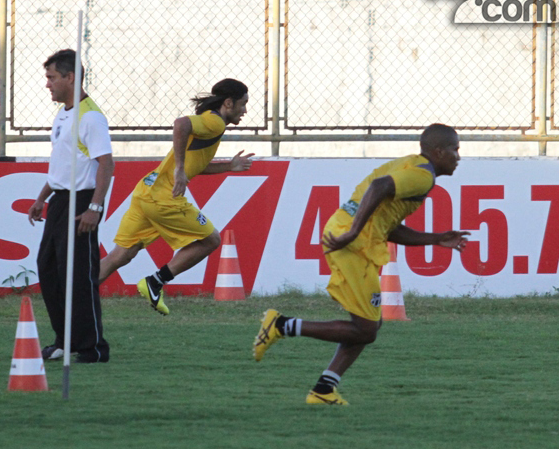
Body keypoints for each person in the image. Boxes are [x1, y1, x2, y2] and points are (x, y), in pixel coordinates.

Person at [253, 123, 470, 404]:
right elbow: (380, 187)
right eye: (455, 150)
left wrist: (436, 238)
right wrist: (354, 231)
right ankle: (281, 325)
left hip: (355, 238)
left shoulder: (411, 165)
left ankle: (324, 389)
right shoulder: (423, 177)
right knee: (366, 329)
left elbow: (388, 226)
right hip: (351, 242)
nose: (458, 157)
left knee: (369, 326)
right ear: (439, 152)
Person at [99, 79, 254, 315]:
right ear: (229, 103)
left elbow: (197, 165)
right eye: (243, 104)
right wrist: (179, 169)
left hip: (146, 191)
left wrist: (228, 167)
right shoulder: (215, 122)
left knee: (121, 255)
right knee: (211, 240)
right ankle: (155, 282)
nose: (245, 110)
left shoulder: (211, 123)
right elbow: (181, 124)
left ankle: (74, 297)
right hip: (164, 199)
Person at [28, 49, 114, 363]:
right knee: (49, 270)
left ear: (70, 77)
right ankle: (65, 340)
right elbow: (65, 165)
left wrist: (95, 208)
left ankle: (93, 347)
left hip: (81, 202)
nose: (47, 84)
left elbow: (106, 164)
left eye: (52, 78)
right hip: (60, 201)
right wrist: (42, 197)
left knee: (78, 275)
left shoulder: (89, 116)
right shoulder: (64, 114)